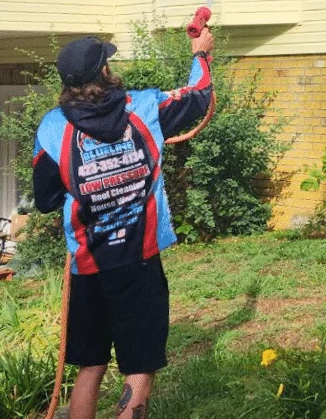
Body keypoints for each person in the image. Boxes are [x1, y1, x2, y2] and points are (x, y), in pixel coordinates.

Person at [33, 29, 215, 419]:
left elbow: (47, 201)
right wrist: (200, 53)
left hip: (88, 264)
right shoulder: (145, 107)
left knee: (91, 363)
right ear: (105, 71)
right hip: (139, 260)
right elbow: (198, 95)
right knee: (139, 363)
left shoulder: (51, 128)